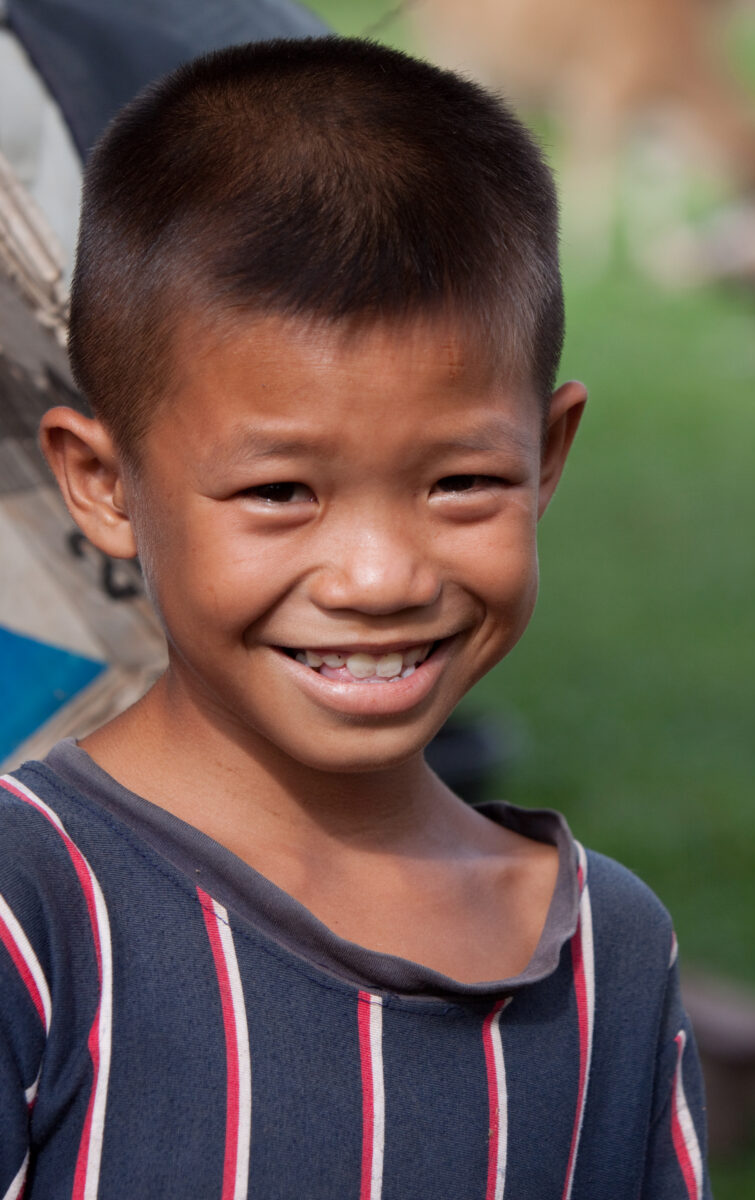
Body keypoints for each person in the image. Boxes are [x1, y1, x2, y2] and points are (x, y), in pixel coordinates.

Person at [0, 38, 710, 1198]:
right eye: (280, 492)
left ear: (547, 455)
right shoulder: (33, 910)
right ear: (102, 480)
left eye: (459, 484)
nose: (379, 576)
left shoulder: (605, 956)